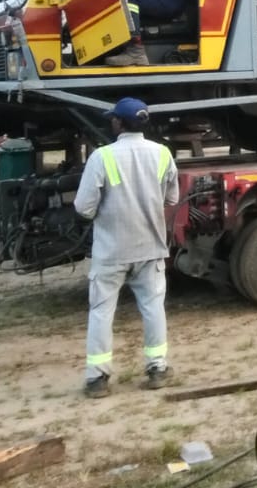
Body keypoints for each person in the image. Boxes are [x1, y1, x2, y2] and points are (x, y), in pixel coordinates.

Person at [73, 97, 179, 397]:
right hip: (150, 247)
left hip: (111, 251)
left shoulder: (102, 157)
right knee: (153, 308)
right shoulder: (162, 154)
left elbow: (83, 208)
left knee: (101, 312)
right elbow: (172, 199)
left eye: (113, 118)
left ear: (118, 123)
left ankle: (97, 379)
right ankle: (157, 368)